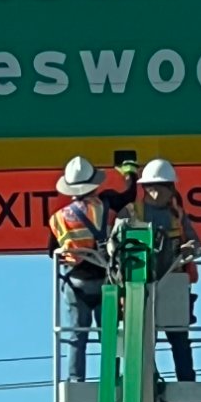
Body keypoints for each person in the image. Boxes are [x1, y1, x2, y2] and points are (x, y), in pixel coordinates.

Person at [48, 154, 137, 379]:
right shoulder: (106, 203)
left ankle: (76, 380)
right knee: (109, 335)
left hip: (75, 282)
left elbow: (52, 252)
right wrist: (129, 173)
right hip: (105, 280)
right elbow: (131, 195)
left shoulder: (59, 218)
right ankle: (111, 377)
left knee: (77, 336)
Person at [130, 158, 201, 381]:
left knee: (179, 337)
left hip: (173, 283)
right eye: (151, 188)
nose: (156, 192)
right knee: (142, 339)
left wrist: (190, 248)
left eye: (161, 187)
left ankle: (186, 380)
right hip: (140, 284)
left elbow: (194, 240)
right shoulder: (132, 213)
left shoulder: (177, 214)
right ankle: (144, 380)